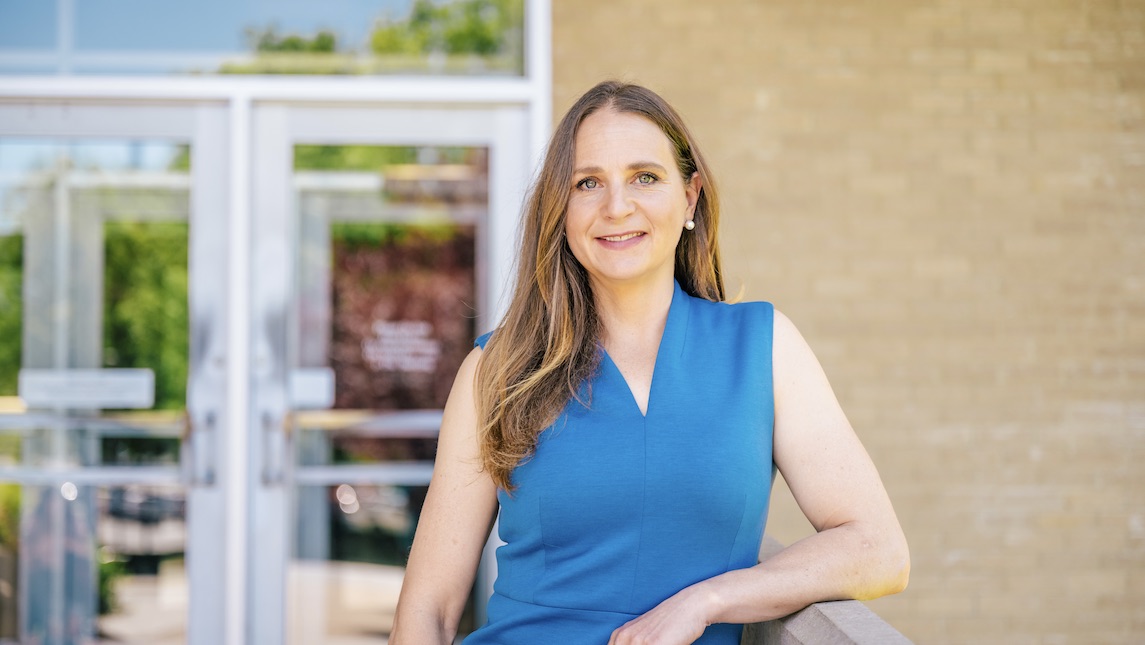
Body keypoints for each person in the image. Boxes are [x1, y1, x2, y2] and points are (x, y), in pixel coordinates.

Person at [391, 80, 909, 644]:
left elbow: (878, 548)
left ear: (690, 198)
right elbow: (429, 611)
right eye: (588, 183)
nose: (617, 207)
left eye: (645, 177)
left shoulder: (762, 348)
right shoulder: (498, 368)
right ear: (560, 211)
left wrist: (709, 600)